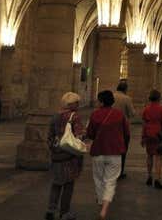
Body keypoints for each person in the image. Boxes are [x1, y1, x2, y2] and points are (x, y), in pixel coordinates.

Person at [86, 90, 131, 220]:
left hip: (98, 151)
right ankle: (104, 209)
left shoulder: (95, 115)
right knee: (110, 181)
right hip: (115, 152)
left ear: (101, 101)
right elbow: (126, 133)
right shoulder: (119, 115)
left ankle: (101, 202)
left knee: (98, 179)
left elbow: (90, 134)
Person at [46, 92, 84, 220]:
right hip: (70, 157)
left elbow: (49, 136)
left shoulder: (55, 116)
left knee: (56, 184)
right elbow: (79, 136)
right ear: (70, 104)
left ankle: (50, 210)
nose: (78, 105)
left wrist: (54, 150)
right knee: (68, 185)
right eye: (76, 102)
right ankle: (64, 212)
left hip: (57, 156)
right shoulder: (75, 117)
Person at [141, 89, 162, 189]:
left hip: (148, 134)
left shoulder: (146, 109)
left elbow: (144, 124)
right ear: (159, 98)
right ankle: (157, 179)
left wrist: (143, 137)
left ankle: (149, 176)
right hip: (158, 134)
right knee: (158, 157)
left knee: (149, 156)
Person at [113, 80, 135, 179]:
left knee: (112, 150)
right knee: (122, 150)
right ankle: (120, 172)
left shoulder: (111, 96)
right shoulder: (127, 98)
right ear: (126, 89)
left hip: (111, 127)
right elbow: (132, 113)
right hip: (123, 128)